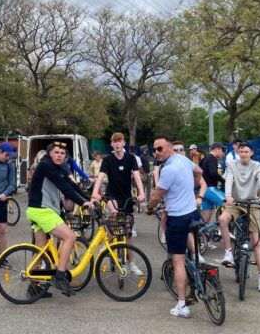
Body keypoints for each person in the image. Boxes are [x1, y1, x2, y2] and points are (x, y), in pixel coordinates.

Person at [145, 136, 206, 319]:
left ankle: (182, 304)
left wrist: (149, 209)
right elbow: (199, 171)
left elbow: (157, 196)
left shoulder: (169, 170)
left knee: (177, 261)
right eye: (154, 149)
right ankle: (198, 262)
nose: (157, 152)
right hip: (192, 213)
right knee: (190, 249)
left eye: (160, 148)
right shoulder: (184, 160)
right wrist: (194, 185)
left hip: (177, 218)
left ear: (170, 148)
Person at [27, 142, 95, 297]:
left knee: (40, 248)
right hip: (41, 210)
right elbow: (64, 187)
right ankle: (60, 275)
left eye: (62, 153)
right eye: (56, 152)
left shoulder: (59, 167)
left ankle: (34, 287)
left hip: (41, 210)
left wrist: (88, 198)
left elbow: (71, 185)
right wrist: (82, 202)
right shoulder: (45, 165)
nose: (59, 155)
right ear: (50, 153)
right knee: (70, 236)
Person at [218, 143, 260, 293]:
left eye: (246, 151)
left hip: (253, 203)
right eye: (241, 151)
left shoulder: (257, 166)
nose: (243, 154)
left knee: (256, 241)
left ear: (251, 153)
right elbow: (228, 181)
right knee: (223, 220)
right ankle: (228, 252)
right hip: (235, 202)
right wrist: (228, 196)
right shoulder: (231, 165)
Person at [91, 132, 145, 275]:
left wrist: (141, 193)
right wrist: (95, 193)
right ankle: (109, 245)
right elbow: (100, 177)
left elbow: (137, 176)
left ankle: (131, 263)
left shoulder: (131, 158)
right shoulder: (108, 159)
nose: (116, 144)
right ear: (111, 144)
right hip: (112, 195)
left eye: (119, 141)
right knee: (115, 216)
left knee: (128, 232)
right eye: (114, 142)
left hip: (126, 196)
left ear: (123, 143)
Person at [200, 142, 226, 224]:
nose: (223, 153)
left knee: (206, 217)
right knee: (229, 203)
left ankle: (200, 234)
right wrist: (222, 180)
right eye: (222, 150)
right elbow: (213, 173)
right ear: (217, 149)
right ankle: (224, 227)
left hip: (203, 190)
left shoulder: (205, 158)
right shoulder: (212, 158)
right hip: (209, 189)